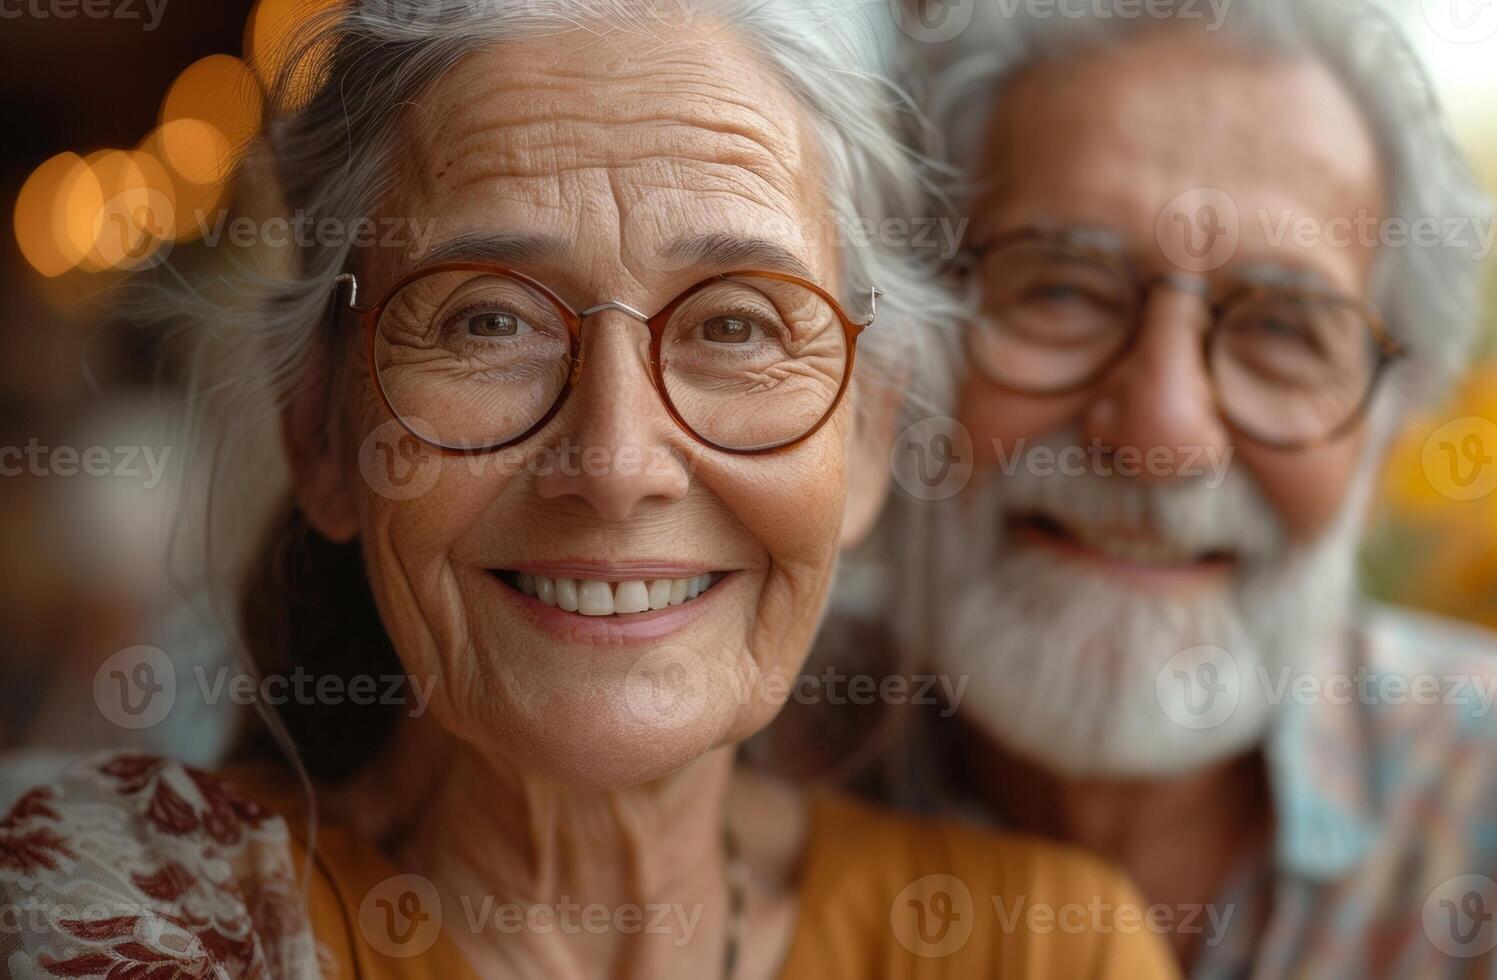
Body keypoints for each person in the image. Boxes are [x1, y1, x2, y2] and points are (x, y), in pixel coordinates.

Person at [0, 3, 1179, 978]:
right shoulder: (118, 912)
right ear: (322, 428)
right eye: (488, 319)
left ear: (869, 434)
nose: (616, 462)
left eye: (735, 324)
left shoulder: (1037, 947)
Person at [876, 0, 1497, 975]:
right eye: (1060, 287)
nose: (1161, 433)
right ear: (907, 339)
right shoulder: (745, 777)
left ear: (1392, 431)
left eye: (1282, 328)